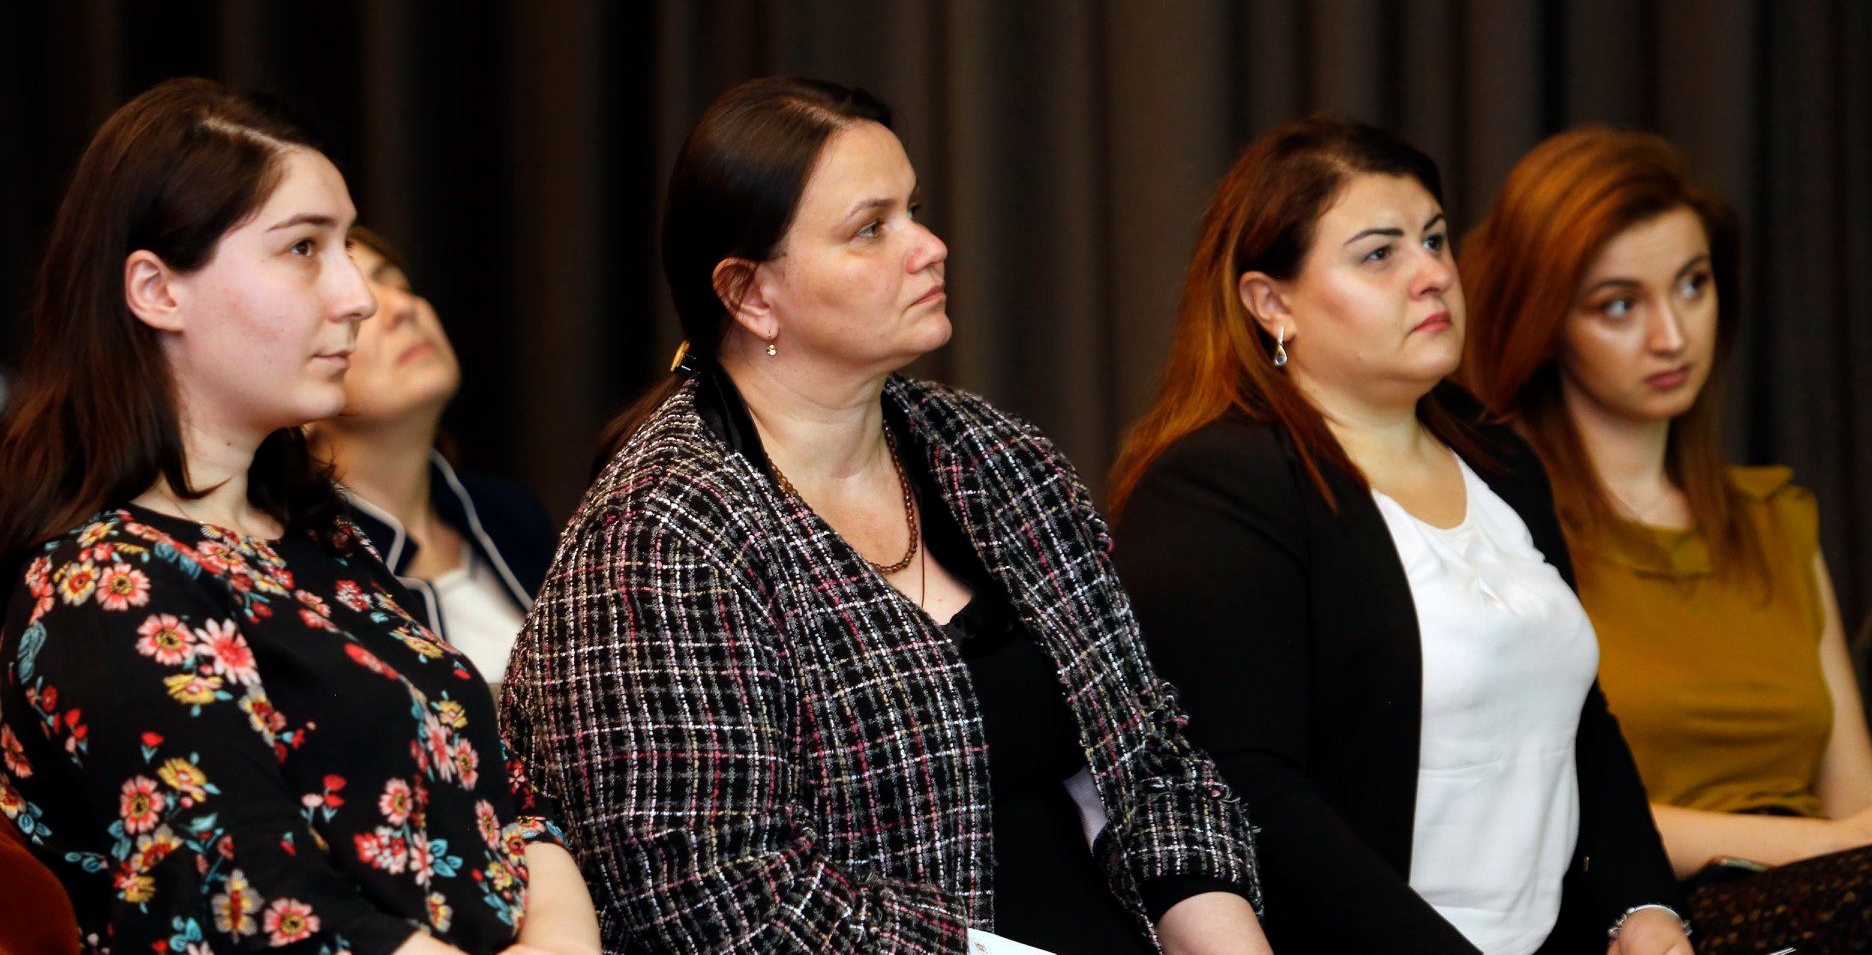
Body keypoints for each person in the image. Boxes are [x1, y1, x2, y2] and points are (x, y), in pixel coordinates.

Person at [500, 77, 1267, 953]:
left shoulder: (993, 456)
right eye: (872, 229)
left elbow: (1150, 762)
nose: (931, 248)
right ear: (750, 295)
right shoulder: (659, 536)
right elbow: (721, 898)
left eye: (915, 212)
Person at [0, 79, 599, 955]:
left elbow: (503, 798)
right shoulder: (104, 585)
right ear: (158, 291)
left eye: (346, 245)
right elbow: (263, 914)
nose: (357, 295)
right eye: (305, 248)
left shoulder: (320, 536)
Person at [1108, 115, 1692, 955]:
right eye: (1380, 254)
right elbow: (1249, 791)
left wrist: (1643, 909)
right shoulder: (1215, 489)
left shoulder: (1497, 456)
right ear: (1272, 304)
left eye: (1435, 240)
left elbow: (1582, 723)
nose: (1433, 276)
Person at [1459, 125, 1872, 953]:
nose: (1672, 335)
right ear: (1546, 320)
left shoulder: (1775, 518)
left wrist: (1839, 849)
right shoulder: (1498, 524)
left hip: (1835, 904)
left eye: (1692, 285)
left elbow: (1854, 800)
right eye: (1619, 304)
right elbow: (1545, 810)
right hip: (1644, 916)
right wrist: (1822, 848)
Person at [308, 227, 557, 683]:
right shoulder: (304, 569)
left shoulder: (512, 515)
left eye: (399, 284)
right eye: (357, 306)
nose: (402, 308)